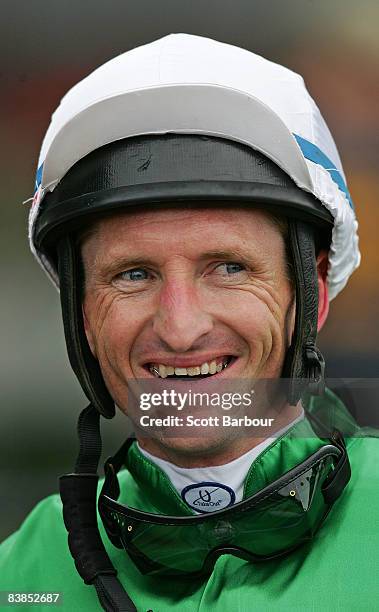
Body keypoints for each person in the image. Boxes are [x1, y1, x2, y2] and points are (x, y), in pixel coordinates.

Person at [1, 33, 378, 612]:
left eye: (229, 268)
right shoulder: (21, 574)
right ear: (81, 314)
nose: (180, 329)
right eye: (132, 275)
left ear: (314, 293)